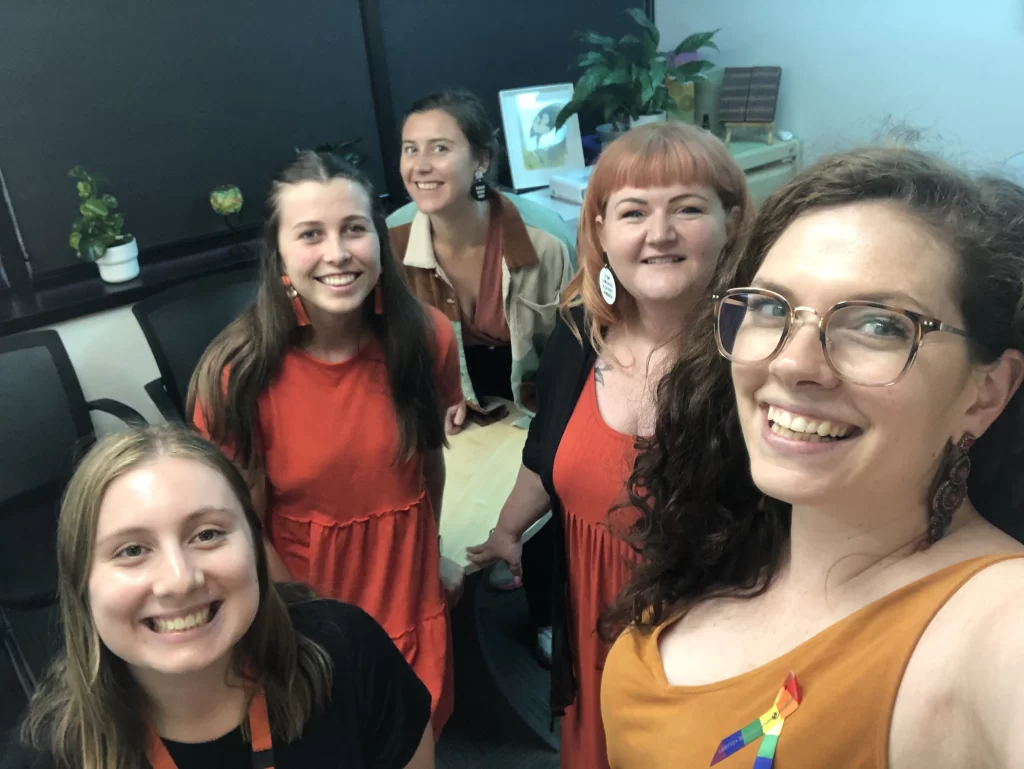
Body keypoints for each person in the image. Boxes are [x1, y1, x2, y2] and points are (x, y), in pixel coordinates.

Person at [601, 148, 1024, 768]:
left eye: (879, 325)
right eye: (772, 308)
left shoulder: (993, 623)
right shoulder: (729, 533)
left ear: (984, 392)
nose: (793, 362)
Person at [467, 122, 752, 769]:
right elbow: (547, 452)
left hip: (702, 638)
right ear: (599, 230)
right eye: (633, 211)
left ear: (730, 222)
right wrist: (509, 529)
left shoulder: (755, 355)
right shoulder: (579, 328)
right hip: (592, 614)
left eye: (687, 207)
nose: (659, 233)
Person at [188, 150, 461, 737]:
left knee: (417, 739)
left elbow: (428, 465)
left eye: (354, 229)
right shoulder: (237, 375)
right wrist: (315, 631)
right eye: (311, 234)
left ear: (379, 241)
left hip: (413, 602)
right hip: (308, 616)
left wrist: (434, 554)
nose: (337, 254)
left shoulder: (427, 339)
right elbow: (238, 531)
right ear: (280, 255)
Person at [1, 426, 434, 769]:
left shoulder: (345, 649)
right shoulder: (47, 755)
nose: (179, 580)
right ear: (82, 586)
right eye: (132, 550)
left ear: (255, 546)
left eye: (207, 534)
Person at [387, 88, 576, 431]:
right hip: (445, 415)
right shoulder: (390, 241)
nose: (421, 166)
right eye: (410, 149)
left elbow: (581, 350)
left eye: (440, 148)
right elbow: (384, 349)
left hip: (541, 408)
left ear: (481, 161)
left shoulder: (546, 241)